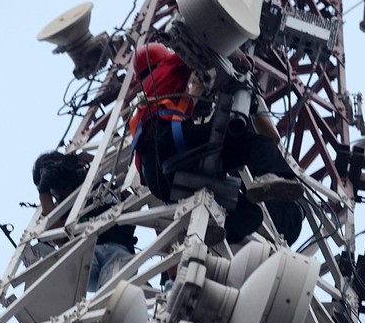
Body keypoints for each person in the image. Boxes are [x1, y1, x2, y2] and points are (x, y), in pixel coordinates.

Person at [129, 42, 304, 245]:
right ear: (161, 59)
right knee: (248, 142)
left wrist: (200, 89)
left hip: (158, 179)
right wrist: (237, 53)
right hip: (169, 142)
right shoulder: (169, 67)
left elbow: (187, 102)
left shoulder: (149, 95)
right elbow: (203, 40)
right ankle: (269, 176)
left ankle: (216, 228)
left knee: (249, 212)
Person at [32, 151, 138, 292]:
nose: (63, 189)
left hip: (117, 249)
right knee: (74, 276)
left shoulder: (93, 179)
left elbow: (133, 201)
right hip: (85, 254)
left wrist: (95, 162)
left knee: (112, 293)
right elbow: (56, 236)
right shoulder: (60, 209)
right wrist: (43, 190)